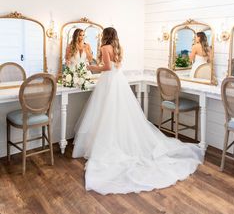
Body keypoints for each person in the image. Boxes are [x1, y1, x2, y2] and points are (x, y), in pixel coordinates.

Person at [72, 27, 203, 195]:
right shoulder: (118, 47)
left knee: (106, 113)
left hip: (109, 81)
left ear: (105, 36)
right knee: (117, 113)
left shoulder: (105, 48)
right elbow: (115, 65)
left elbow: (105, 67)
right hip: (118, 80)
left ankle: (110, 143)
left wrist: (92, 67)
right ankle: (119, 139)